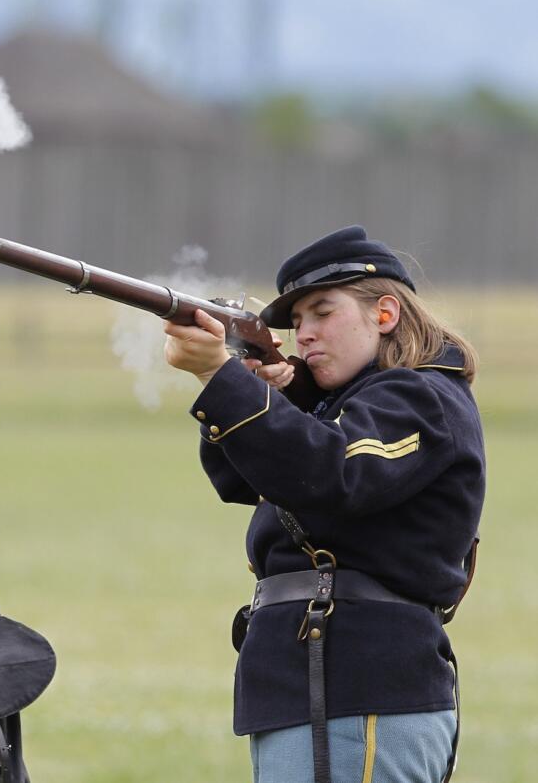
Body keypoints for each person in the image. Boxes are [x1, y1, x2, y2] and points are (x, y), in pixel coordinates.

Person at [162, 226, 484, 783]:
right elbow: (239, 477)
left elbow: (329, 471)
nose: (304, 334)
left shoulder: (422, 396)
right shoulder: (347, 405)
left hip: (359, 686)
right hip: (316, 683)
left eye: (321, 312)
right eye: (297, 322)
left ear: (384, 314)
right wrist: (257, 389)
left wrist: (220, 376)